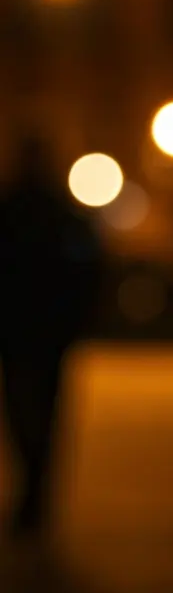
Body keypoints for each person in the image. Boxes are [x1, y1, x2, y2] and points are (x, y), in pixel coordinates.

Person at [0, 132, 102, 541]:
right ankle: (36, 496)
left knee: (23, 415)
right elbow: (87, 266)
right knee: (43, 417)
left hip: (23, 332)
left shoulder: (15, 209)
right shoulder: (59, 212)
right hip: (45, 333)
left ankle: (32, 496)